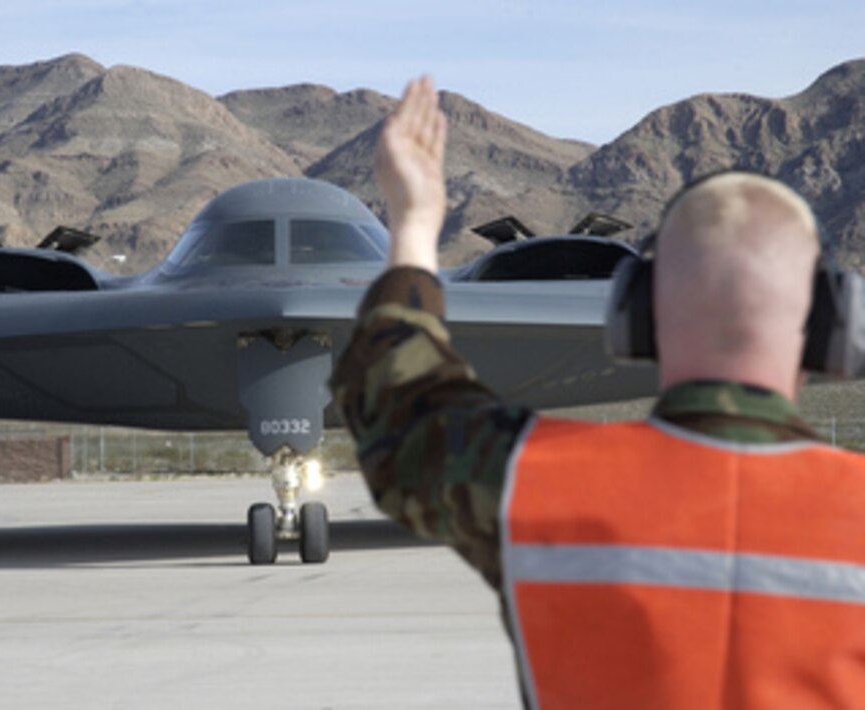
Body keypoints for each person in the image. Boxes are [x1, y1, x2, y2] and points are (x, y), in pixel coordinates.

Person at [330, 76, 865, 709]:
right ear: (832, 323)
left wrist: (414, 229)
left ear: (634, 311)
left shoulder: (533, 478)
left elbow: (399, 398)